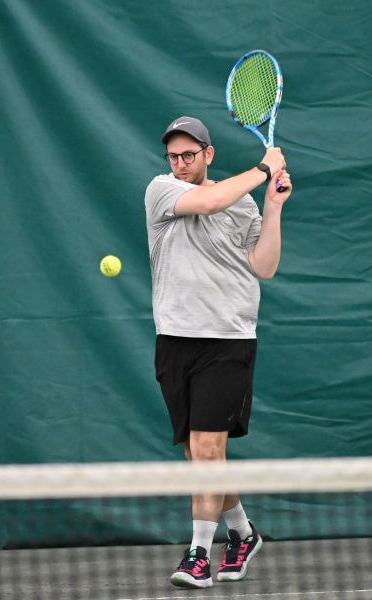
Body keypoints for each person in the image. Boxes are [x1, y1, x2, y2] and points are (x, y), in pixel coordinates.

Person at [144, 116, 292, 589]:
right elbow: (210, 201)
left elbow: (264, 266)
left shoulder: (242, 202)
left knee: (208, 449)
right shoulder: (161, 190)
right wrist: (264, 168)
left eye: (189, 155)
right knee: (199, 454)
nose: (180, 163)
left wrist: (272, 207)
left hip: (228, 340)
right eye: (174, 156)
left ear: (208, 154)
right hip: (174, 340)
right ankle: (243, 533)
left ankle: (198, 556)